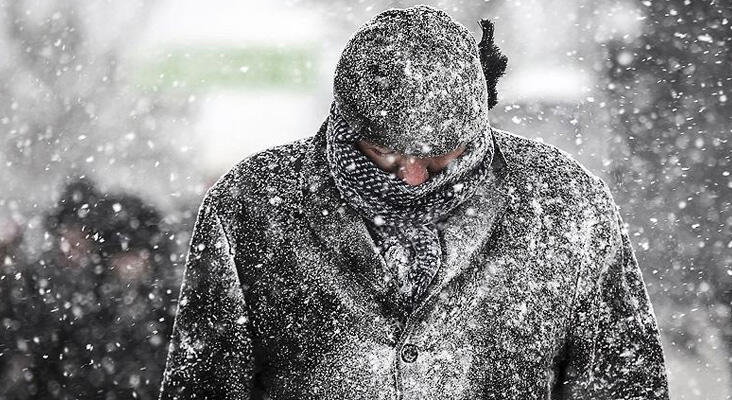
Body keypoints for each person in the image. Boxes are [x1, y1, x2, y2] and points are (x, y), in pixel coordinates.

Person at [160, 5, 669, 399]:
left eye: (441, 155)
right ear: (345, 123)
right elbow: (204, 383)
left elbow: (623, 381)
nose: (413, 176)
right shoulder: (253, 206)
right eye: (384, 152)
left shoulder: (564, 206)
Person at [1, 179, 176, 399]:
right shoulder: (77, 298)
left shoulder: (167, 303)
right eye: (121, 254)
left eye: (135, 253)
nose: (128, 264)